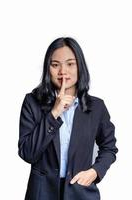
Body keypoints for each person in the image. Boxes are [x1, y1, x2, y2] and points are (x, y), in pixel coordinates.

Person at [18, 37, 118, 200]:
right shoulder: (32, 102)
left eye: (70, 64)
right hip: (42, 194)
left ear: (80, 66)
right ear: (47, 68)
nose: (63, 71)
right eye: (55, 64)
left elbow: (109, 148)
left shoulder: (97, 107)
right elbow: (27, 153)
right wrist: (54, 113)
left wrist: (94, 172)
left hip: (82, 194)